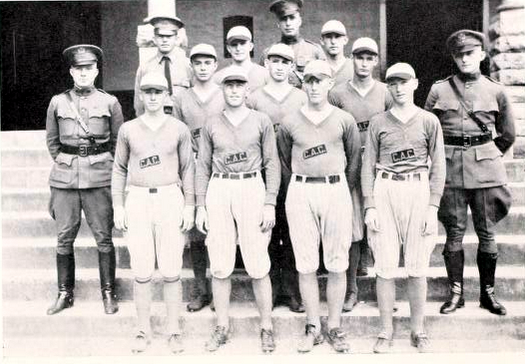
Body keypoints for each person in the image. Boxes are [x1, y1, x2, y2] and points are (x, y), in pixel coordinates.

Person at [425, 30, 515, 316]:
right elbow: (427, 131)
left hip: (486, 171)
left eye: (470, 53)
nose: (464, 58)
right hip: (450, 170)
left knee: (487, 233)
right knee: (454, 233)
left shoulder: (496, 90)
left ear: (482, 55)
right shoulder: (439, 90)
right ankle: (456, 294)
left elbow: (508, 134)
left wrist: (486, 153)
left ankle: (488, 295)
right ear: (453, 57)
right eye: (459, 54)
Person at [195, 66, 281, 353]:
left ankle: (266, 326)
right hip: (220, 188)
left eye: (239, 85)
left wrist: (270, 202)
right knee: (220, 263)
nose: (233, 90)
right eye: (228, 85)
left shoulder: (261, 120)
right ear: (222, 89)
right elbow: (203, 166)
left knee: (257, 262)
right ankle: (222, 326)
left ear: (247, 90)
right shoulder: (211, 123)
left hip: (251, 187)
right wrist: (200, 205)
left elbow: (272, 163)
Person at [277, 60, 361, 353]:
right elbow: (284, 162)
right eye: (309, 80)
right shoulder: (290, 121)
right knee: (307, 263)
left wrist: (340, 189)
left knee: (338, 262)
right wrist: (299, 186)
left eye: (320, 80)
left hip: (335, 189)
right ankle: (313, 326)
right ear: (304, 83)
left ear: (329, 83)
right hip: (301, 191)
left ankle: (335, 326)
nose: (314, 85)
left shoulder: (344, 119)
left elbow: (353, 161)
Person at [362, 63, 445, 353]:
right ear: (388, 87)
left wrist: (433, 206)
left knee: (417, 265)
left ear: (415, 83)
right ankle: (386, 330)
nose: (398, 88)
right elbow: (366, 165)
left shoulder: (428, 121)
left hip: (417, 189)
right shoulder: (378, 122)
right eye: (393, 83)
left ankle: (418, 329)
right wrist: (369, 205)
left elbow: (439, 168)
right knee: (384, 266)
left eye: (404, 82)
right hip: (385, 187)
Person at [112, 72, 195, 354]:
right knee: (142, 269)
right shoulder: (129, 129)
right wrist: (118, 205)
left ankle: (174, 330)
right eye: (147, 92)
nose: (152, 97)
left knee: (172, 269)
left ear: (166, 95)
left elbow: (189, 169)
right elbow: (119, 168)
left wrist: (190, 204)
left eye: (158, 92)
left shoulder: (178, 129)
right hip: (137, 198)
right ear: (140, 95)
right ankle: (142, 329)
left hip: (170, 196)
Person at [45, 44, 122, 316]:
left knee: (104, 237)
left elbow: (117, 143)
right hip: (65, 179)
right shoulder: (58, 102)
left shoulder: (110, 102)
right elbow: (53, 143)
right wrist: (68, 161)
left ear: (96, 71)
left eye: (88, 68)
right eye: (78, 69)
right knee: (64, 238)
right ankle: (64, 293)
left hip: (99, 177)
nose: (83, 74)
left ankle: (108, 292)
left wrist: (101, 163)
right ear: (71, 71)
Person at [329, 36, 393, 312]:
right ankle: (352, 288)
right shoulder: (338, 93)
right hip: (350, 165)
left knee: (383, 227)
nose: (364, 63)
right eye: (359, 57)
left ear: (376, 61)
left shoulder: (386, 92)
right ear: (351, 59)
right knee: (354, 229)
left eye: (370, 58)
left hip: (380, 167)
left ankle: (385, 287)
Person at [246, 43, 307, 313]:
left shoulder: (301, 97)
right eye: (275, 61)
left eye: (285, 62)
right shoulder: (255, 99)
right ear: (266, 64)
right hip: (264, 177)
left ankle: (292, 292)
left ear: (292, 67)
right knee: (267, 236)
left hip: (294, 175)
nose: (279, 66)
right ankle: (271, 291)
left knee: (293, 235)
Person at [173, 43, 225, 312]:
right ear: (191, 67)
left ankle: (219, 289)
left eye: (208, 63)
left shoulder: (224, 93)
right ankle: (200, 289)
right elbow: (179, 135)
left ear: (215, 65)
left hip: (221, 167)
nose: (203, 68)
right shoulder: (182, 98)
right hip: (193, 166)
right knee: (196, 231)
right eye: (198, 63)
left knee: (219, 231)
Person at [134, 13, 192, 117]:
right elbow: (139, 105)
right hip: (155, 124)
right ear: (154, 38)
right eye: (160, 36)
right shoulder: (145, 68)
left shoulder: (188, 66)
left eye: (169, 36)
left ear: (176, 38)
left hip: (183, 122)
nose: (164, 40)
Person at [261, 0, 326, 88]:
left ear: (299, 21)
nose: (288, 23)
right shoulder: (268, 53)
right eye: (283, 19)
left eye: (292, 18)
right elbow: (262, 84)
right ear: (278, 24)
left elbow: (324, 84)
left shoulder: (315, 51)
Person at [214, 26, 269, 90]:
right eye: (234, 44)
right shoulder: (218, 77)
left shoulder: (265, 74)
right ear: (228, 48)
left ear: (251, 46)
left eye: (243, 44)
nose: (238, 49)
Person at [320, 20, 353, 87]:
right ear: (322, 41)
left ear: (345, 40)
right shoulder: (317, 67)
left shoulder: (354, 68)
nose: (333, 41)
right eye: (329, 37)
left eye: (337, 36)